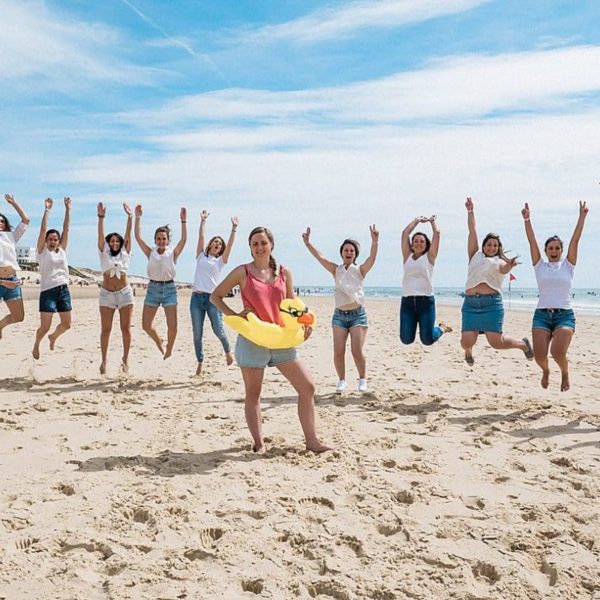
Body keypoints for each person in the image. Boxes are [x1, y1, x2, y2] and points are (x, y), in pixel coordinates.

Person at [211, 226, 332, 454]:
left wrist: (306, 322)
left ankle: (312, 441)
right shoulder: (242, 272)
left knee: (307, 387)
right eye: (255, 244)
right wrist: (235, 316)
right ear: (250, 247)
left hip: (281, 340)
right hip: (252, 340)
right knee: (254, 395)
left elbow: (293, 305)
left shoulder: (284, 273)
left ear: (271, 245)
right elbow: (215, 296)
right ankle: (259, 444)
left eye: (263, 243)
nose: (259, 247)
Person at [302, 225, 378, 394]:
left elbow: (372, 259)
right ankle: (342, 380)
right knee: (338, 351)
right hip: (339, 316)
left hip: (358, 315)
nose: (348, 252)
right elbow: (320, 258)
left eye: (352, 250)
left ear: (355, 254)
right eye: (346, 250)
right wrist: (308, 244)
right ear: (342, 252)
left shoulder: (360, 270)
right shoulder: (336, 270)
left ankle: (362, 378)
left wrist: (375, 242)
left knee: (356, 350)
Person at [521, 201, 588, 391]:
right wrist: (527, 219)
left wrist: (581, 217)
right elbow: (532, 241)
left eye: (557, 248)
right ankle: (546, 371)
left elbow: (575, 240)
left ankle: (565, 373)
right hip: (542, 315)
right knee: (540, 357)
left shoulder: (568, 265)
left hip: (564, 315)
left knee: (558, 353)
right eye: (550, 248)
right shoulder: (539, 265)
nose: (554, 251)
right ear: (546, 251)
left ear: (561, 250)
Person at [461, 197, 533, 366]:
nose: (492, 247)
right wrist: (470, 211)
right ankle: (468, 352)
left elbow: (504, 270)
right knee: (466, 342)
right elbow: (472, 230)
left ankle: (523, 345)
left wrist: (509, 266)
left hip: (491, 304)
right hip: (471, 304)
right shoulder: (475, 255)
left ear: (498, 248)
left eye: (495, 245)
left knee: (496, 343)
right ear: (484, 246)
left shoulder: (500, 262)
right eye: (489, 244)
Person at [134, 204, 187, 360]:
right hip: (153, 289)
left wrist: (183, 222)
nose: (161, 241)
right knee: (146, 325)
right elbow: (137, 237)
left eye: (164, 239)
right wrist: (138, 217)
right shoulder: (150, 252)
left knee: (172, 325)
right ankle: (159, 340)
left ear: (168, 240)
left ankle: (169, 348)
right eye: (158, 238)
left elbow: (184, 240)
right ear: (155, 240)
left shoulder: (173, 253)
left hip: (169, 289)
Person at [190, 210, 237, 376]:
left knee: (218, 330)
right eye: (215, 242)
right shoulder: (200, 256)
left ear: (220, 250)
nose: (217, 244)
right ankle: (200, 362)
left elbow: (229, 246)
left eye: (219, 244)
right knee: (197, 333)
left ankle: (227, 351)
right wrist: (203, 221)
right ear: (210, 245)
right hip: (196, 299)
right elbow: (201, 238)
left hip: (212, 300)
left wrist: (233, 228)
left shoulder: (220, 261)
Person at [400, 215, 452, 345]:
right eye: (416, 241)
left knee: (427, 340)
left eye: (422, 241)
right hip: (408, 302)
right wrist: (417, 220)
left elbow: (437, 233)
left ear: (426, 244)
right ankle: (439, 328)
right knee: (406, 340)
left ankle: (442, 328)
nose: (418, 243)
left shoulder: (430, 256)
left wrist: (432, 221)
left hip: (426, 302)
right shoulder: (407, 256)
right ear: (412, 244)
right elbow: (405, 233)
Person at [32, 197, 72, 358]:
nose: (53, 242)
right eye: (50, 239)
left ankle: (53, 337)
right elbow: (42, 230)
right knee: (44, 327)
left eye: (55, 239)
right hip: (48, 292)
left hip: (63, 290)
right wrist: (47, 210)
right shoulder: (42, 252)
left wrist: (68, 209)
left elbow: (66, 229)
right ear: (46, 241)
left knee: (66, 324)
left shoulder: (62, 250)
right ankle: (36, 344)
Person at [97, 202, 134, 374]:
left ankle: (126, 358)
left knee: (125, 328)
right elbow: (100, 234)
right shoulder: (103, 252)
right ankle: (104, 360)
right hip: (106, 294)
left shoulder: (125, 252)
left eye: (117, 241)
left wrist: (130, 217)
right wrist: (101, 218)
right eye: (111, 241)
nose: (114, 242)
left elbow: (128, 235)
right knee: (106, 329)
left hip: (125, 293)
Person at [0, 194, 30, 338]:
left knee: (18, 317)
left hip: (12, 281)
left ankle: (0, 325)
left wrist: (14, 203)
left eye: (1, 221)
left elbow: (26, 220)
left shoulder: (11, 237)